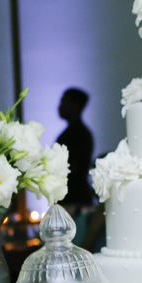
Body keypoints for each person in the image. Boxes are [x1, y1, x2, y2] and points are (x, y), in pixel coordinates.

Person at [55, 87, 95, 215]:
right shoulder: (77, 133)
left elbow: (74, 168)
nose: (60, 106)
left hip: (75, 201)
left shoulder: (79, 135)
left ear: (76, 105)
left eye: (64, 102)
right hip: (71, 198)